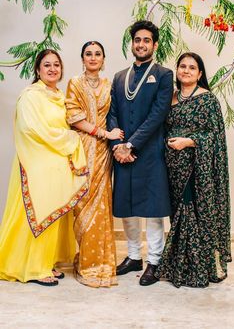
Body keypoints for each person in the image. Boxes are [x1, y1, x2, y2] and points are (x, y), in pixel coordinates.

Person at [0, 49, 88, 286]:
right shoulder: (30, 95)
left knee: (53, 214)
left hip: (57, 164)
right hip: (36, 164)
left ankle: (45, 262)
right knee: (38, 213)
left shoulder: (61, 96)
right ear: (37, 70)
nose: (52, 69)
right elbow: (31, 130)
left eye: (56, 65)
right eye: (47, 65)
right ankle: (32, 268)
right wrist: (70, 138)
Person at [154, 52, 232, 288]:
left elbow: (216, 137)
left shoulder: (208, 100)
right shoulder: (171, 98)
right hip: (173, 169)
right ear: (176, 70)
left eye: (192, 67)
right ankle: (181, 264)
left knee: (194, 215)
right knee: (178, 214)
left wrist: (189, 142)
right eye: (182, 66)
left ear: (199, 73)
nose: (186, 71)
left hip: (199, 170)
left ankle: (201, 268)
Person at [107, 20, 173, 286]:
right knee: (127, 207)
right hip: (122, 152)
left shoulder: (165, 74)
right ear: (132, 44)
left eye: (146, 40)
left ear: (154, 45)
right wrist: (117, 145)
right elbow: (112, 113)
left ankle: (154, 262)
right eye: (137, 40)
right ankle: (134, 256)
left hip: (150, 152)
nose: (141, 44)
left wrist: (131, 145)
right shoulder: (120, 76)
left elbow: (158, 115)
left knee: (153, 210)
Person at [65, 41, 124, 288]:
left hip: (103, 153)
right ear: (82, 58)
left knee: (101, 203)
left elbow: (117, 114)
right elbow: (73, 116)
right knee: (82, 202)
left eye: (97, 54)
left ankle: (100, 263)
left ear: (103, 59)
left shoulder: (110, 85)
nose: (92, 57)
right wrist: (104, 133)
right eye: (88, 54)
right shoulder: (75, 83)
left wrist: (114, 137)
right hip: (81, 148)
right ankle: (86, 260)